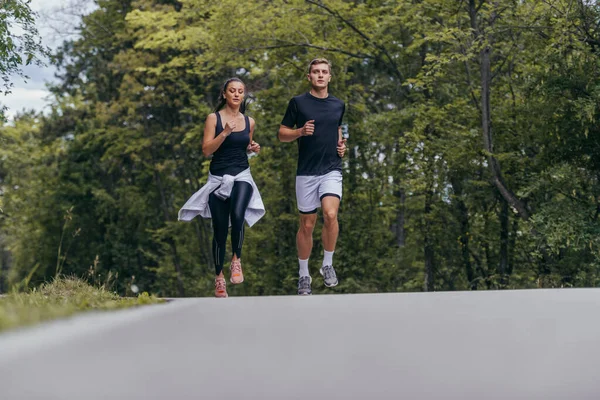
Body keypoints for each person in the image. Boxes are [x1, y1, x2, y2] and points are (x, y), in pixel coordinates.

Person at [178, 78, 265, 298]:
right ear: (224, 94)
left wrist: (252, 147)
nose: (236, 94)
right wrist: (224, 132)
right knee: (219, 230)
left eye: (240, 91)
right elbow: (207, 150)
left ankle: (236, 260)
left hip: (242, 175)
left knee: (238, 214)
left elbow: (244, 147)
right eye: (232, 91)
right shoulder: (213, 118)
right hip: (217, 178)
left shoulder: (249, 122)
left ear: (243, 95)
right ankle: (219, 277)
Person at [278, 58, 348, 295]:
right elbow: (282, 134)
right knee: (307, 225)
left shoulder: (338, 105)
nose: (320, 75)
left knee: (330, 213)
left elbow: (338, 129)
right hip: (306, 172)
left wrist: (342, 146)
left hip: (331, 168)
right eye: (315, 72)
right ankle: (304, 274)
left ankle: (327, 264)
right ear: (309, 77)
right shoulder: (298, 103)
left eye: (324, 72)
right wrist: (299, 131)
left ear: (330, 77)